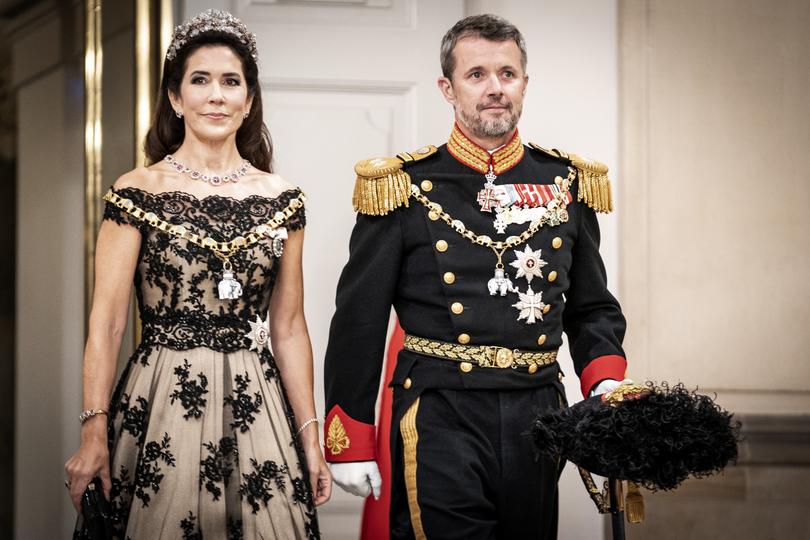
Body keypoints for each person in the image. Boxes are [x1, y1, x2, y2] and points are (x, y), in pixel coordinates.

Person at [323, 14, 627, 539]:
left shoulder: (565, 182)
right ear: (448, 87)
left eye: (507, 74)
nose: (494, 89)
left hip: (539, 410)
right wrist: (350, 437)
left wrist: (605, 385)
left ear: (525, 84)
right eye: (477, 74)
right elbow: (359, 320)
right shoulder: (402, 186)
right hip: (441, 409)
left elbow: (591, 306)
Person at [64, 9, 329, 539]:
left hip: (258, 403)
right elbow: (108, 321)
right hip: (160, 395)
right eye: (200, 80)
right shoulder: (137, 190)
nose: (216, 95)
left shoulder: (283, 200)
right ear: (175, 97)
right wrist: (94, 431)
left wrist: (311, 439)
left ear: (249, 99)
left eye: (231, 82)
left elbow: (291, 329)